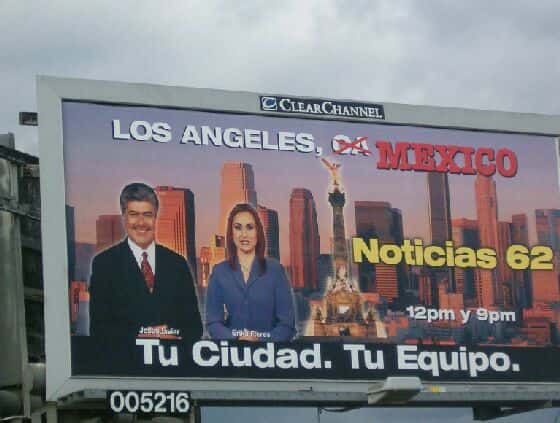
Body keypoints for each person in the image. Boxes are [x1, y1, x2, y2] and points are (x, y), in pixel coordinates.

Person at [89, 182, 202, 341]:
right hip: (125, 362)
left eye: (147, 215)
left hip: (170, 361)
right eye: (134, 214)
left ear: (155, 217)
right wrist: (142, 335)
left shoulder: (177, 264)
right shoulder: (104, 264)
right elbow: (99, 329)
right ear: (124, 217)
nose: (141, 222)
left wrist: (169, 333)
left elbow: (195, 328)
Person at [206, 203, 296, 342]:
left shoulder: (275, 271)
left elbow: (287, 325)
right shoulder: (219, 272)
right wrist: (236, 339)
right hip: (232, 354)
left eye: (250, 227)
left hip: (269, 355)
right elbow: (213, 323)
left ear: (257, 232)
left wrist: (261, 341)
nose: (244, 234)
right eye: (237, 227)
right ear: (231, 233)